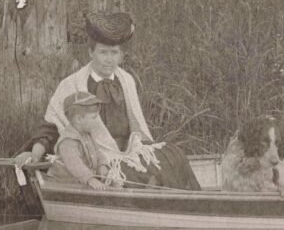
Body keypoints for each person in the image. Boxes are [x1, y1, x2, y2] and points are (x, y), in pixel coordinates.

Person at [15, 12, 200, 190]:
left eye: (114, 53)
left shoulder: (126, 80)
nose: (109, 60)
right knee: (129, 173)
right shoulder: (72, 84)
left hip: (130, 149)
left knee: (174, 155)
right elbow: (51, 127)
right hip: (98, 155)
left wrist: (139, 147)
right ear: (90, 53)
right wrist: (34, 152)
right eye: (103, 53)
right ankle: (147, 195)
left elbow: (137, 126)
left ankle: (179, 202)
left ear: (121, 56)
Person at [46, 92, 115, 190]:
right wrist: (91, 180)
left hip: (82, 180)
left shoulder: (87, 134)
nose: (97, 121)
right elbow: (75, 165)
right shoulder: (67, 141)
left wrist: (102, 165)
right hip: (64, 184)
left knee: (115, 184)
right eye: (94, 117)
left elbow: (98, 152)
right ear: (79, 119)